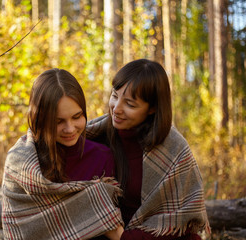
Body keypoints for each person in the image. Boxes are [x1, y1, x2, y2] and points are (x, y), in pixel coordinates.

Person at [87, 59, 211, 240]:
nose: (116, 109)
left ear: (152, 108)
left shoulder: (174, 148)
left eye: (130, 104)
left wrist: (124, 237)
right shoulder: (96, 134)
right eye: (115, 95)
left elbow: (181, 221)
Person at [1, 68, 124, 240]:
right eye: (58, 121)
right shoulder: (21, 163)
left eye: (77, 117)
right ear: (40, 119)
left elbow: (108, 224)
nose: (69, 129)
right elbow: (18, 228)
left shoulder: (101, 156)